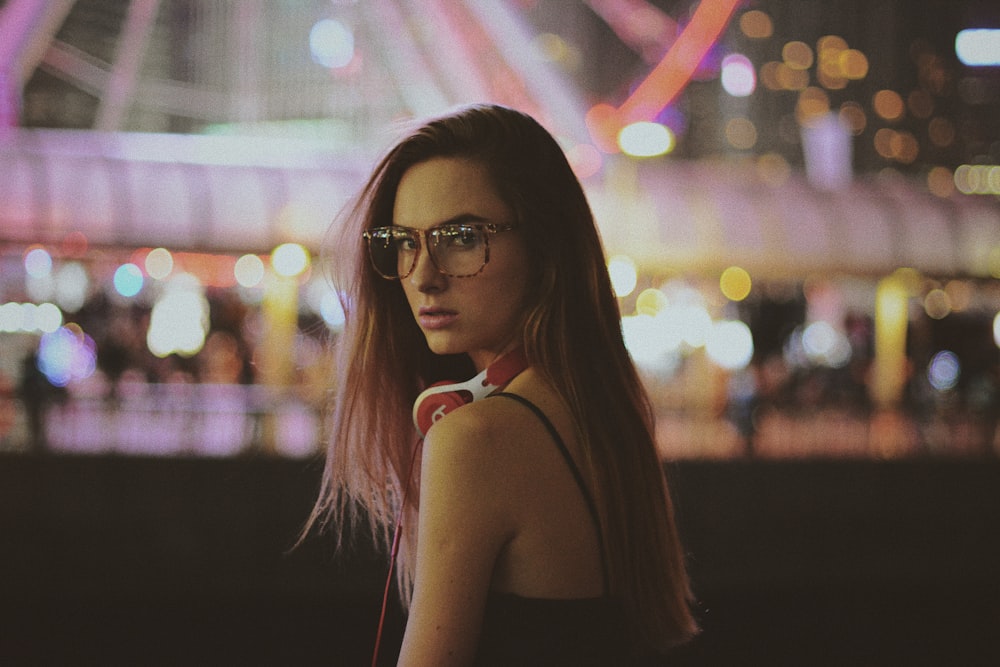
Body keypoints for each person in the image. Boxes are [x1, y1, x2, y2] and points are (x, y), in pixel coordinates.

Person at [304, 104, 698, 665]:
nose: (423, 274)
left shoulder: (478, 438)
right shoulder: (600, 417)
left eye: (461, 237)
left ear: (546, 249)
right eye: (405, 241)